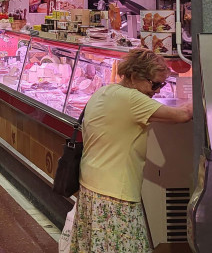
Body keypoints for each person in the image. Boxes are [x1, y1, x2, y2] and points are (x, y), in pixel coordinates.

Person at [69, 48, 192, 253]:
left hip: (91, 185)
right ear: (134, 77)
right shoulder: (133, 100)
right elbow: (182, 115)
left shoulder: (105, 91)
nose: (158, 90)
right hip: (115, 194)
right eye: (155, 84)